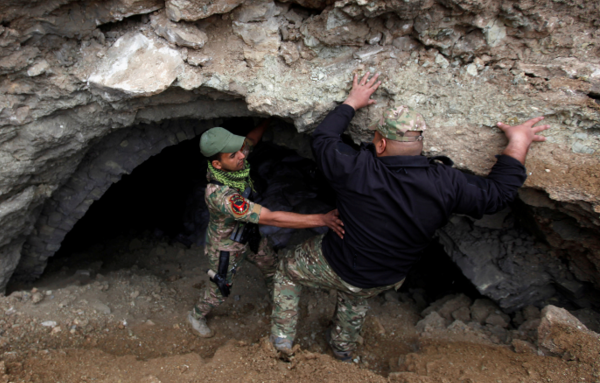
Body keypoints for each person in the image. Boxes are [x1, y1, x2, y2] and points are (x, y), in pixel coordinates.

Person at [270, 71, 550, 360]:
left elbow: (324, 138)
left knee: (288, 269)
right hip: (388, 276)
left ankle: (281, 341)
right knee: (357, 293)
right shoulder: (446, 183)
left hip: (339, 264)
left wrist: (352, 101)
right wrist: (519, 141)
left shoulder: (354, 169)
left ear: (380, 144)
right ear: (421, 143)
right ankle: (342, 349)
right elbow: (498, 194)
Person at [187, 121, 345, 338]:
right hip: (227, 246)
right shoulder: (221, 196)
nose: (241, 156)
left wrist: (267, 119)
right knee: (220, 290)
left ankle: (276, 297)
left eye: (239, 150)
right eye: (233, 155)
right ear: (217, 164)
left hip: (249, 234)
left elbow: (250, 140)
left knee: (271, 265)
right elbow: (271, 217)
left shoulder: (235, 163)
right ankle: (196, 314)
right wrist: (322, 219)